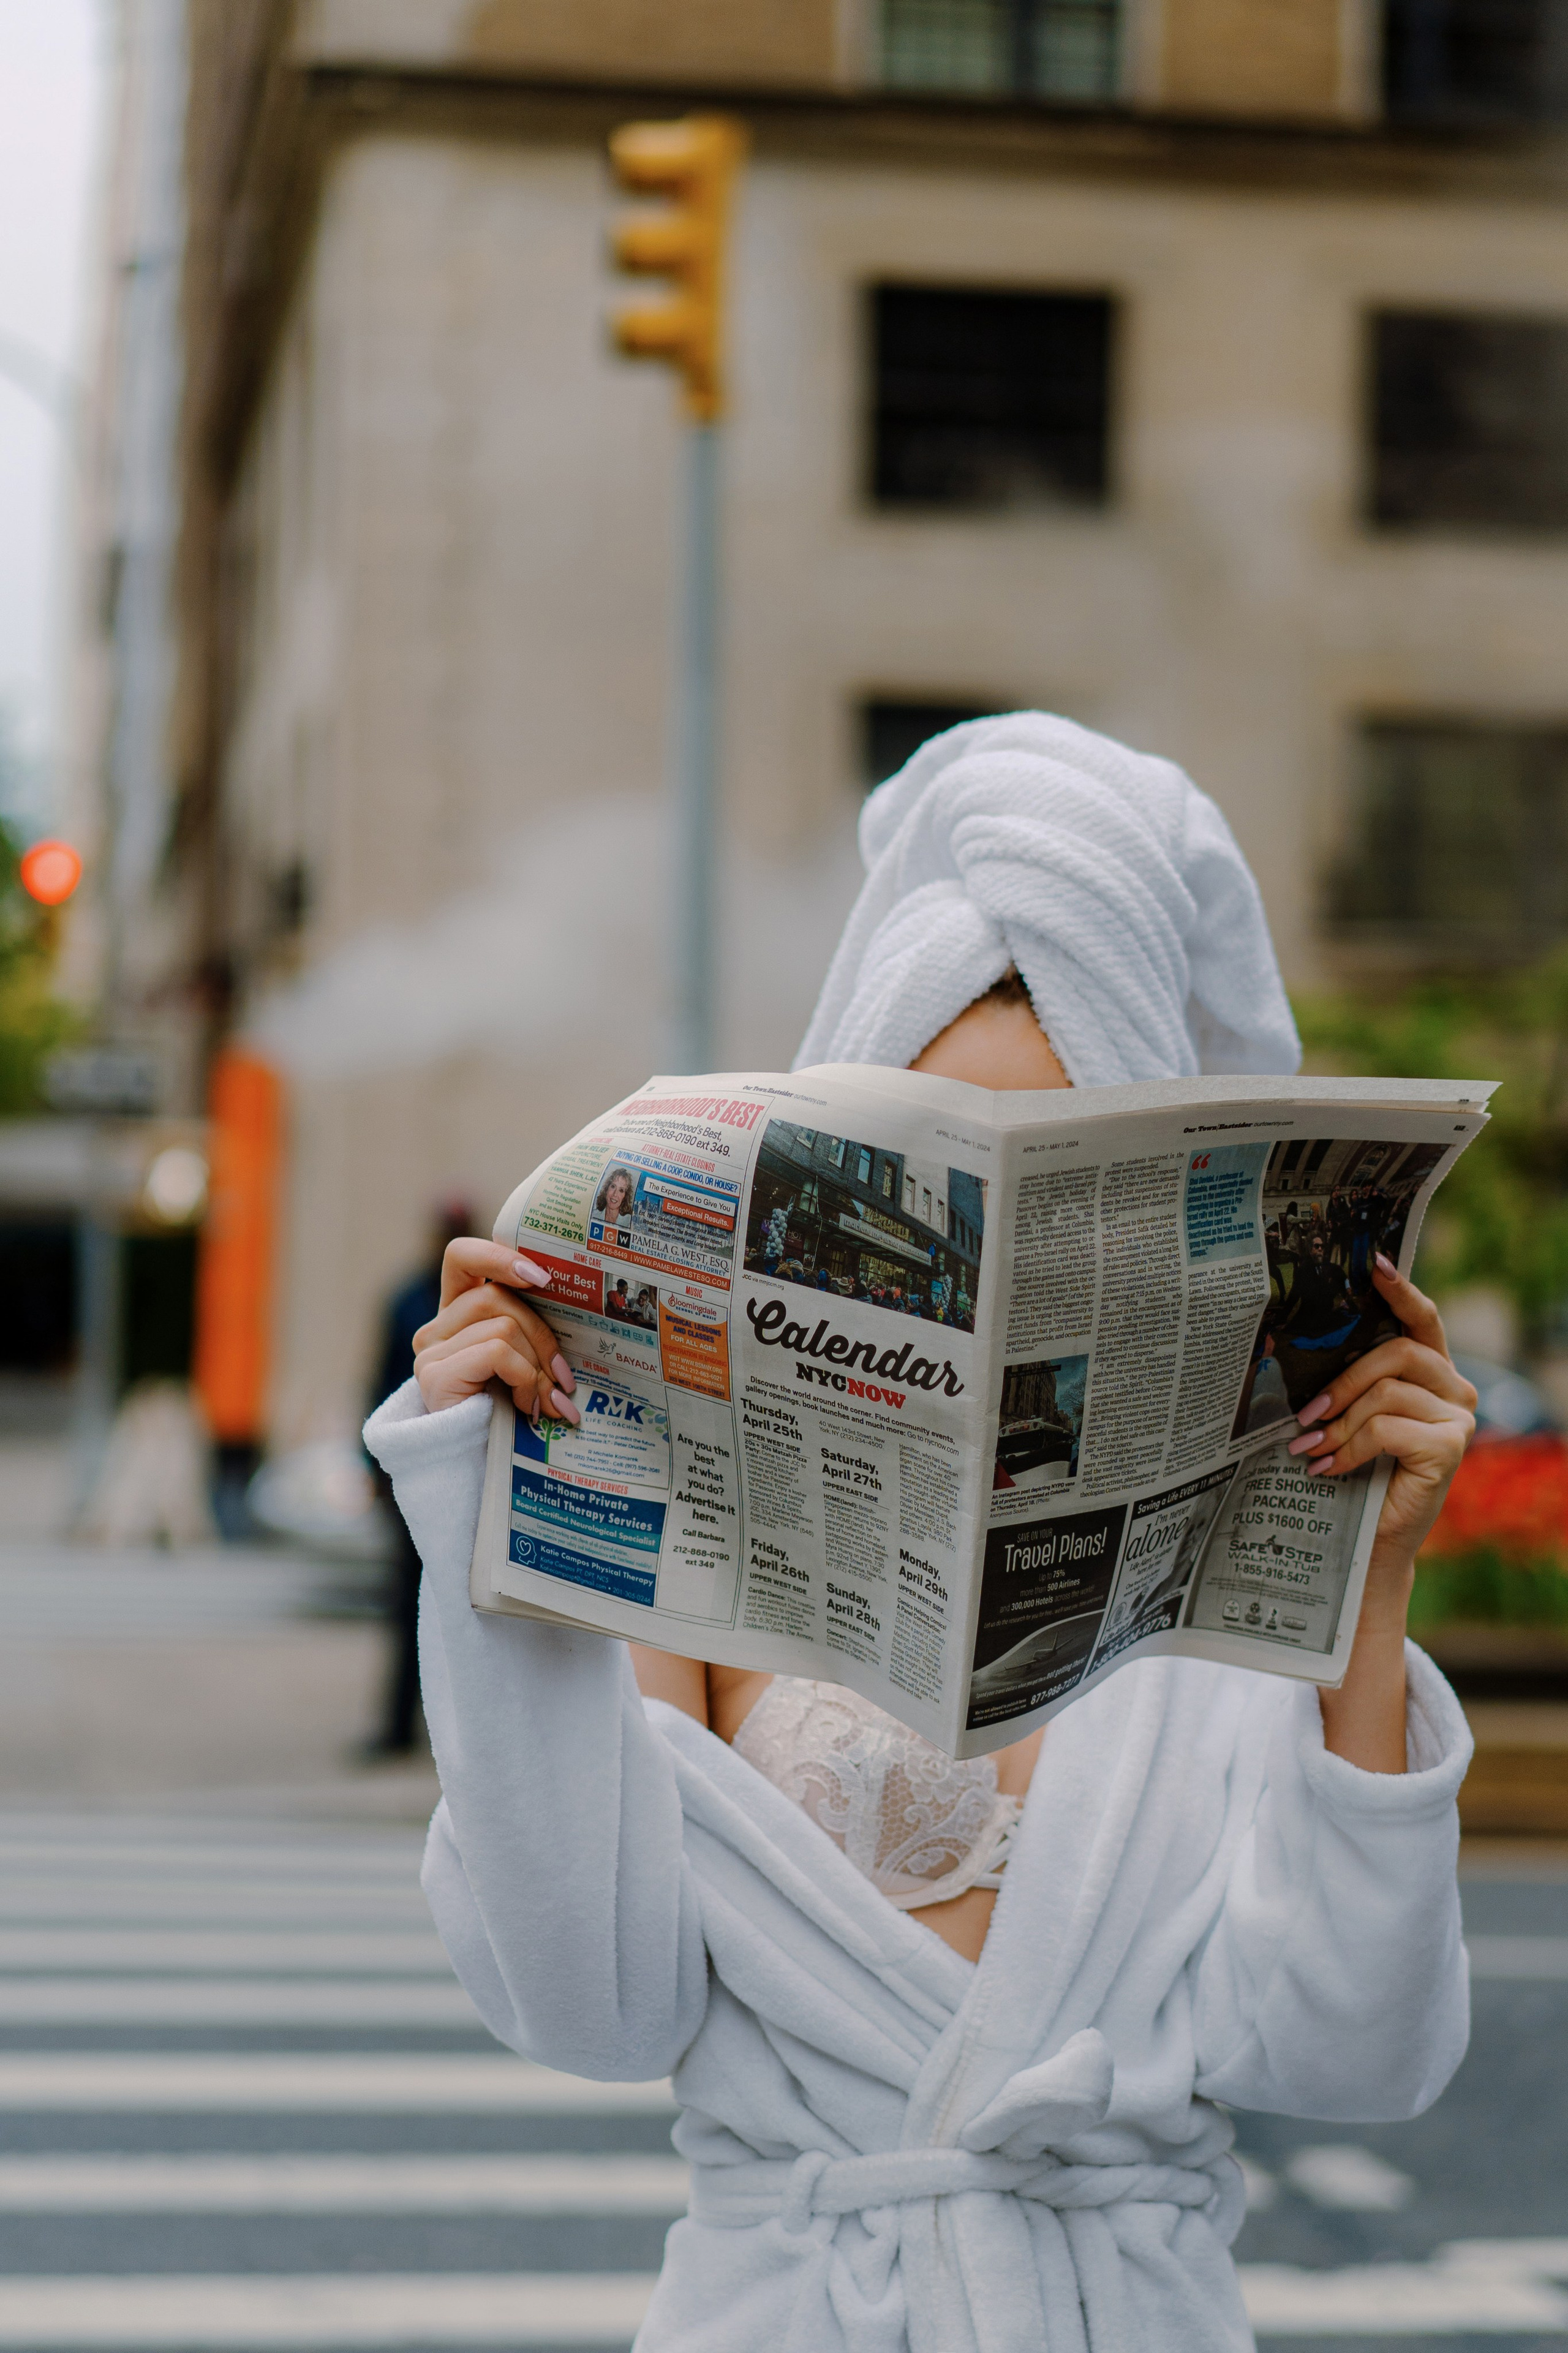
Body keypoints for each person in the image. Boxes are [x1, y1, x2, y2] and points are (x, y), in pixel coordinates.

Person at [368, 712, 1476, 2353]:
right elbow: (595, 2006)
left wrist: (1371, 1592)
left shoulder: (1247, 1543)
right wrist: (496, 1545)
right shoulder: (691, 1491)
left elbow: (1352, 2058)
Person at [363, 1196, 474, 1755]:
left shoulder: (486, 1299)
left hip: (468, 1471)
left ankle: (453, 1727)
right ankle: (399, 1724)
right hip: (415, 1470)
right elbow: (382, 1382)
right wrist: (373, 1466)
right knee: (408, 1602)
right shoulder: (409, 1298)